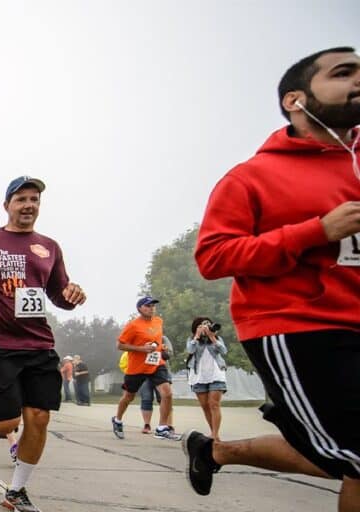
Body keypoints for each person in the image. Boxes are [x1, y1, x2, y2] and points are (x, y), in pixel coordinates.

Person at [187, 48, 360, 510]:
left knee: (341, 459)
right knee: (354, 457)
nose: (358, 80)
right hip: (303, 327)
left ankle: (217, 451)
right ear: (295, 100)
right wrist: (316, 231)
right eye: (344, 73)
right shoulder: (251, 178)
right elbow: (213, 257)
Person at [0, 176, 87, 511]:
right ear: (7, 205)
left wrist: (72, 296)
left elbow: (58, 294)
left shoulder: (50, 247)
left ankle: (16, 491)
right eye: (21, 199)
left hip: (39, 345)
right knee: (6, 423)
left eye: (34, 200)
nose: (29, 205)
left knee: (39, 417)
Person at [110, 297, 178, 441]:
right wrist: (142, 349)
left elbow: (156, 340)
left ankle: (162, 428)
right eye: (148, 306)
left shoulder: (158, 321)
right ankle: (117, 419)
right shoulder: (133, 325)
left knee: (167, 394)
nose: (152, 308)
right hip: (137, 367)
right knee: (128, 397)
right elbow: (120, 345)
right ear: (140, 308)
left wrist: (161, 348)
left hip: (156, 363)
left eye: (153, 306)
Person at [186, 317, 227, 441]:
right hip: (198, 376)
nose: (206, 327)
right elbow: (190, 350)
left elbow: (223, 351)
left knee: (214, 404)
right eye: (202, 325)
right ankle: (213, 432)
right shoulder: (192, 339)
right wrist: (197, 336)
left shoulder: (217, 339)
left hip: (216, 374)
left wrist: (212, 337)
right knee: (205, 406)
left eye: (208, 324)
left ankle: (215, 435)